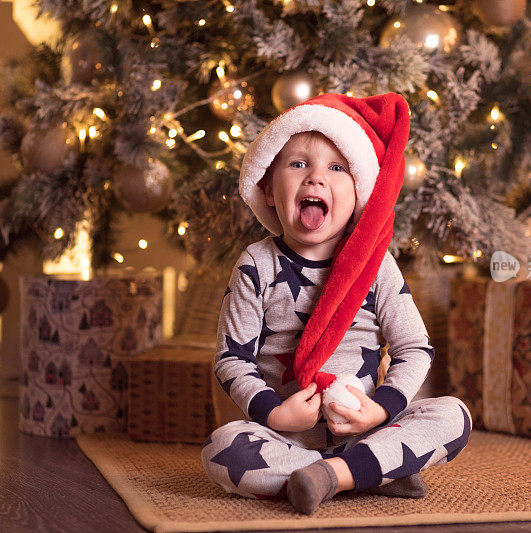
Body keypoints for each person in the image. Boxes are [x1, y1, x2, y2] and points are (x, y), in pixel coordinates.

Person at [201, 92, 472, 514]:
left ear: (357, 195)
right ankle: (358, 473)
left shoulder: (376, 265)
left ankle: (338, 473)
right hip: (288, 437)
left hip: (367, 428)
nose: (315, 178)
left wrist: (380, 408)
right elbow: (232, 359)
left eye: (336, 167)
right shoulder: (257, 264)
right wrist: (274, 415)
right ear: (268, 190)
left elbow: (413, 348)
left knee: (454, 416)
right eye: (297, 164)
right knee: (223, 450)